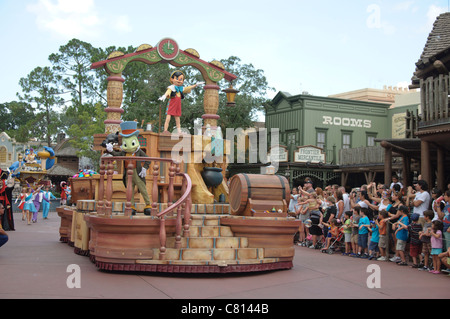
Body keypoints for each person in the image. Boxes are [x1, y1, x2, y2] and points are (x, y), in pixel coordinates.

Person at [159, 70, 203, 135]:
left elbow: (188, 87)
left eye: (181, 79)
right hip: (172, 104)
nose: (179, 80)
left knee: (177, 118)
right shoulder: (171, 87)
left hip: (178, 105)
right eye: (177, 78)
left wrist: (196, 85)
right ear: (172, 79)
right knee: (168, 117)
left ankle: (179, 131)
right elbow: (168, 92)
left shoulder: (181, 88)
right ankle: (165, 130)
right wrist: (164, 96)